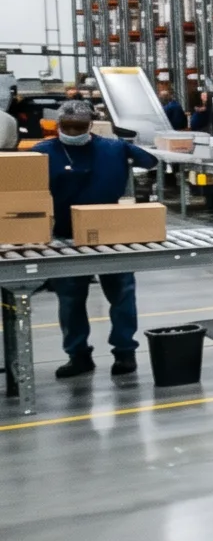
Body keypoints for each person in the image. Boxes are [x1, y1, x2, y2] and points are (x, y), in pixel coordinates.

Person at [38, 100, 159, 378]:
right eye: (66, 126)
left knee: (122, 296)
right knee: (70, 301)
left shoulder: (113, 148)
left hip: (111, 236)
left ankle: (125, 353)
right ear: (57, 125)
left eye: (79, 127)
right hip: (64, 237)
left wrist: (123, 145)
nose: (72, 131)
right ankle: (78, 355)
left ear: (91, 126)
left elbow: (150, 161)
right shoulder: (43, 152)